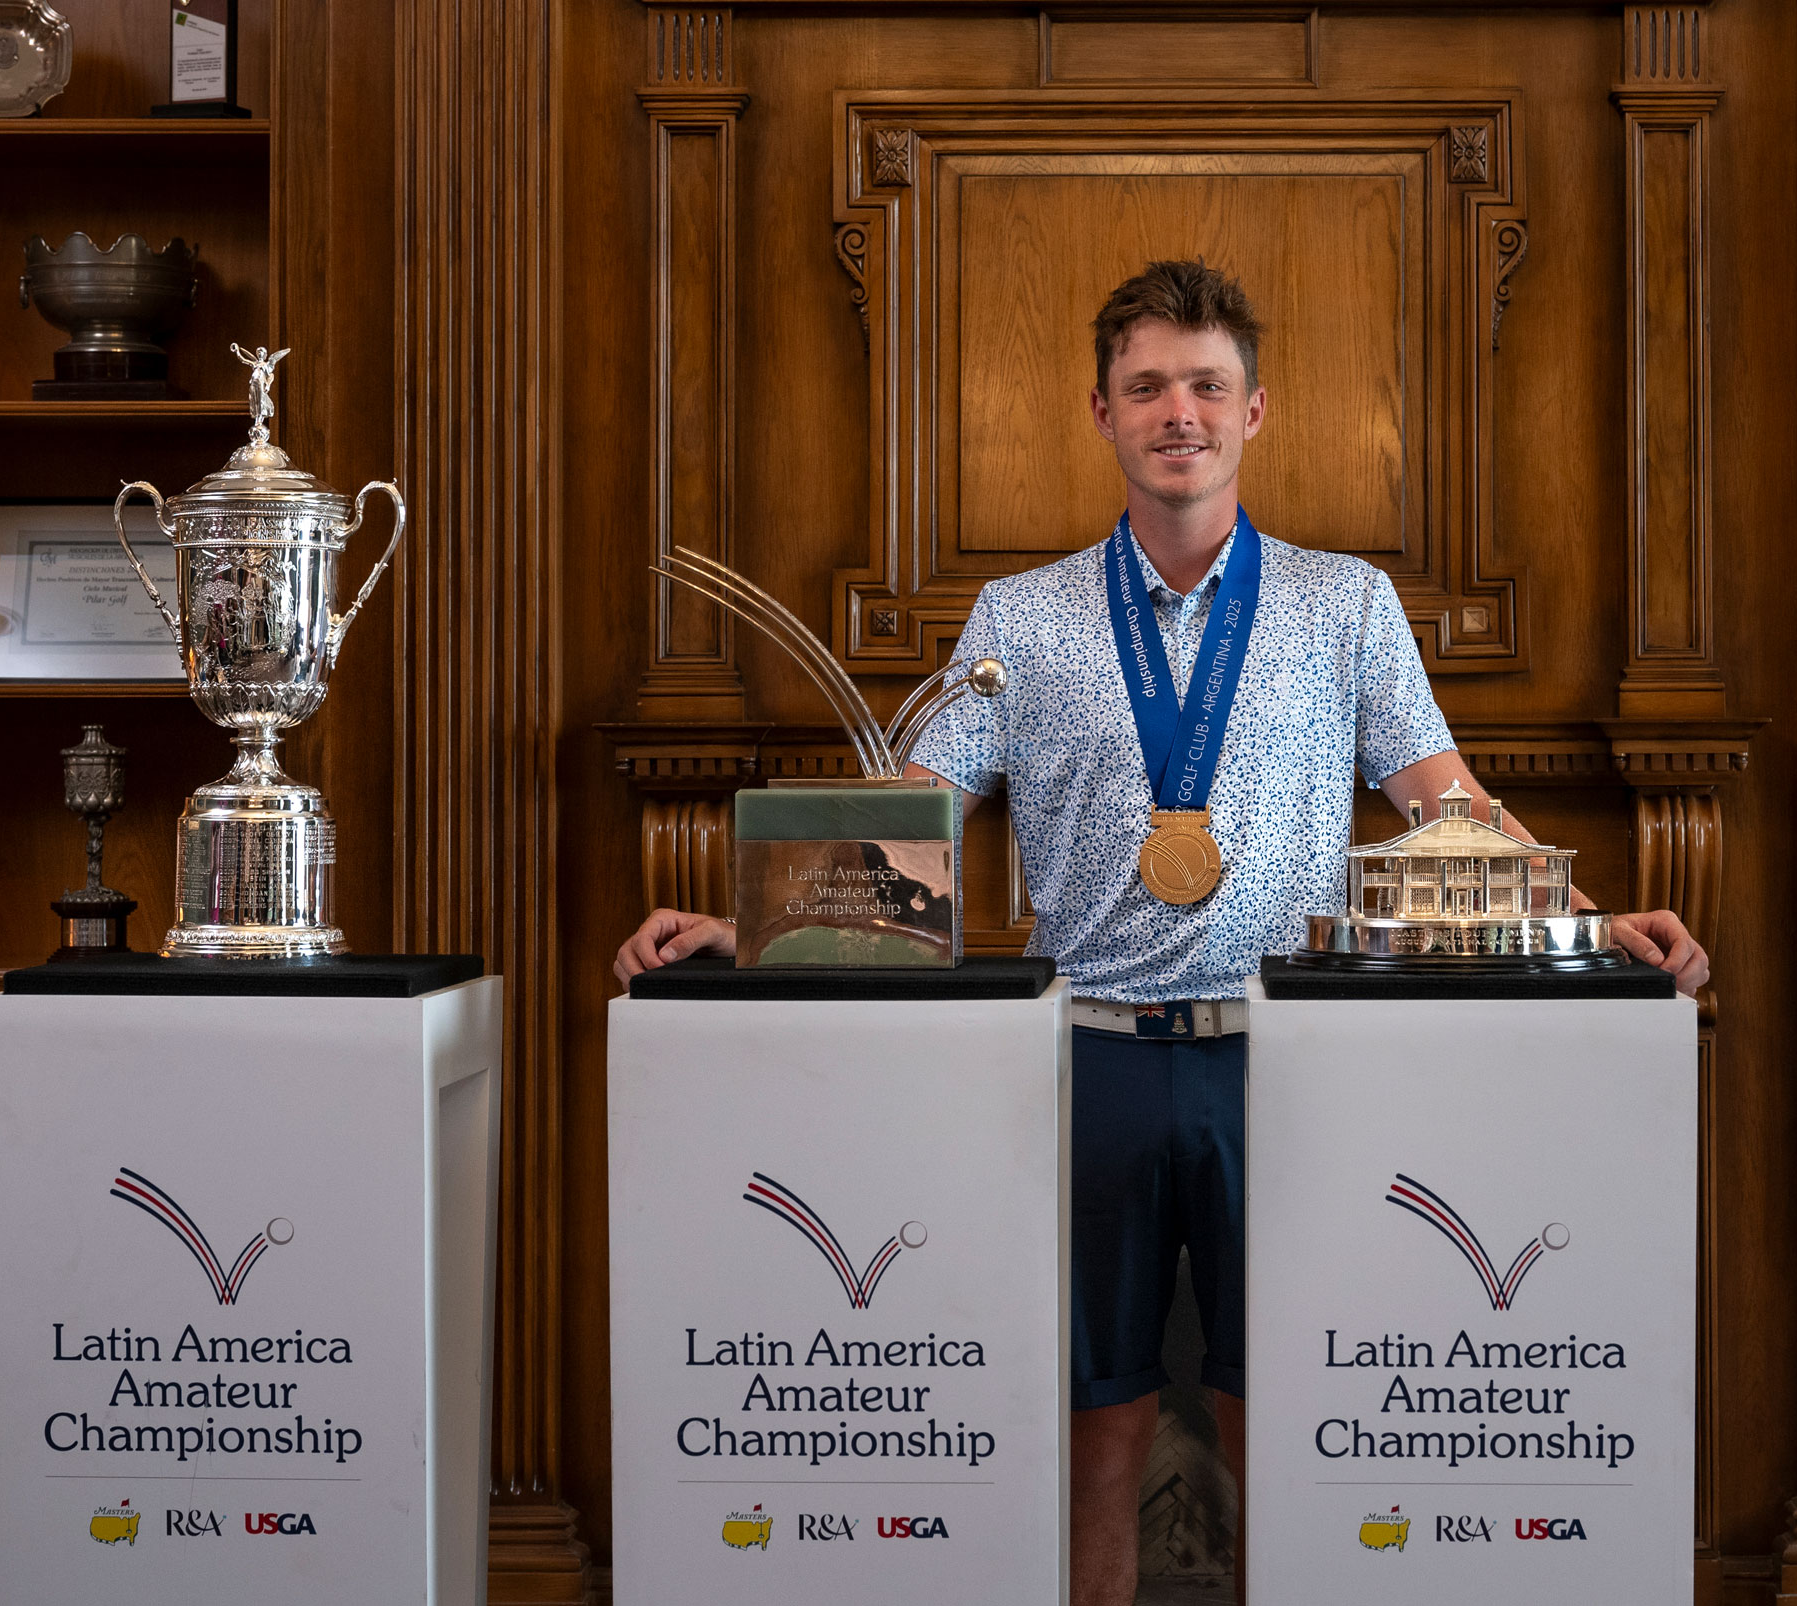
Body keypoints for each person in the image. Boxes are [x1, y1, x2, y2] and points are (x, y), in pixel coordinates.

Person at [615, 259, 1708, 1606]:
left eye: (1205, 383)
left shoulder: (1345, 603)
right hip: (1087, 1063)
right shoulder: (1019, 619)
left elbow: (1455, 812)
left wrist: (1601, 929)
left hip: (1289, 1063)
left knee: (1288, 1420)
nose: (1176, 409)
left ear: (1256, 411)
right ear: (1102, 413)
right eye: (1147, 386)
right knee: (1099, 1424)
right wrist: (749, 926)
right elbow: (908, 826)